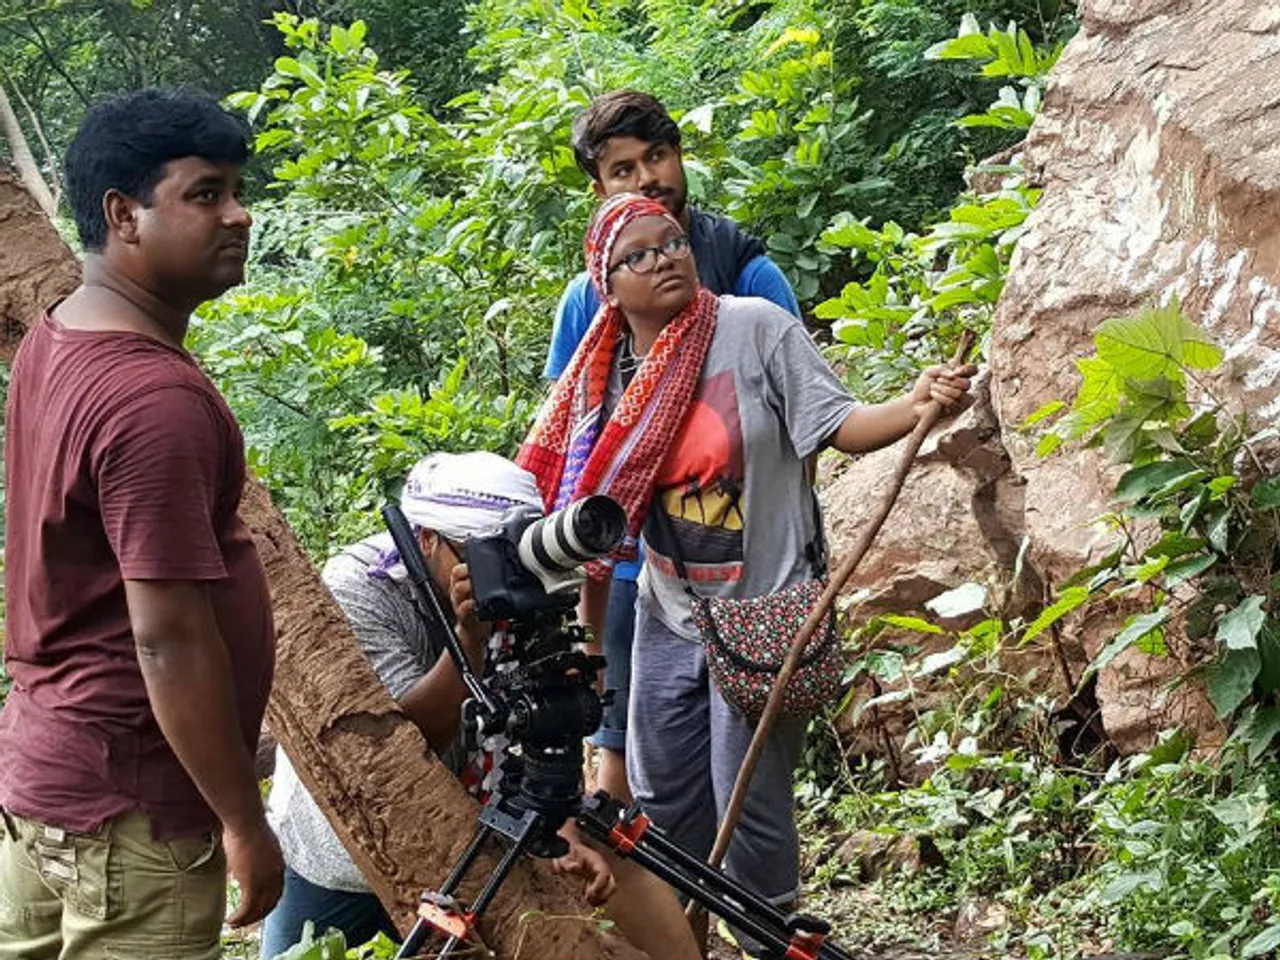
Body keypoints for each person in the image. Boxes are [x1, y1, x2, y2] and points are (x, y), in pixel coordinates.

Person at [519, 192, 974, 953]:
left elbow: (841, 427)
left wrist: (916, 402)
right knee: (665, 807)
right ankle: (687, 940)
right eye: (638, 254)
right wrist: (592, 652)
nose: (663, 257)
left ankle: (772, 942)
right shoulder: (602, 386)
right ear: (607, 285)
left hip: (766, 617)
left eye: (671, 243)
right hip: (671, 617)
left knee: (751, 810)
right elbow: (595, 533)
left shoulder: (753, 330)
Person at [0, 89, 281, 959]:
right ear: (124, 214)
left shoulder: (61, 334)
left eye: (238, 190)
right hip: (132, 807)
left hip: (49, 769)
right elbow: (166, 639)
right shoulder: (151, 399)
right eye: (204, 194)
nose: (238, 216)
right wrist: (242, 820)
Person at [260, 452, 700, 960]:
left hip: (485, 830)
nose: (508, 570)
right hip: (351, 843)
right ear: (427, 539)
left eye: (514, 550)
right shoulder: (362, 590)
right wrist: (468, 644)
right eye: (479, 551)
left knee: (612, 881)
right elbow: (395, 749)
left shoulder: (533, 580)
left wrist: (560, 828)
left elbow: (550, 711)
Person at [545, 89, 802, 804]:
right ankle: (659, 907)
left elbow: (802, 419)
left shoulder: (746, 275)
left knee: (742, 776)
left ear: (680, 157)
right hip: (625, 567)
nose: (647, 178)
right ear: (598, 190)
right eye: (622, 170)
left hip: (739, 570)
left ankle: (740, 904)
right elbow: (573, 428)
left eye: (657, 156)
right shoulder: (584, 299)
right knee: (623, 761)